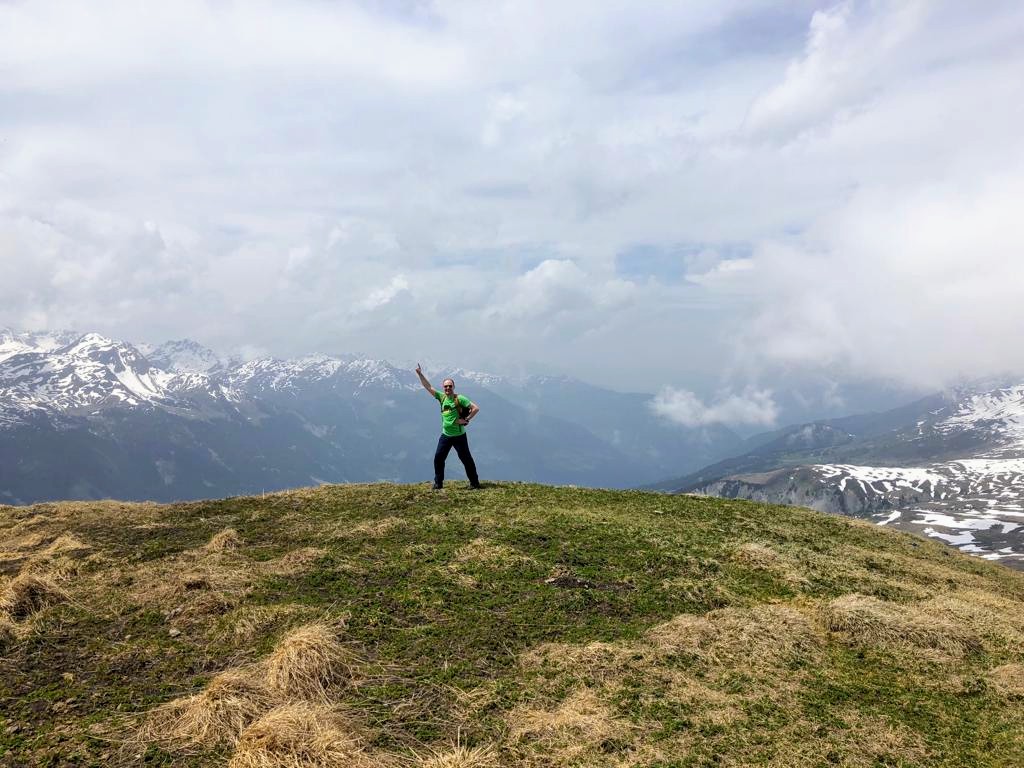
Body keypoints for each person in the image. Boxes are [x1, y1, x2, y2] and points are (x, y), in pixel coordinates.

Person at [415, 363, 481, 490]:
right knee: (438, 458)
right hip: (446, 435)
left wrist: (466, 420)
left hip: (459, 436)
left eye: (450, 386)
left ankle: (475, 483)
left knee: (466, 460)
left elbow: (475, 408)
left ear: (454, 387)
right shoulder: (441, 397)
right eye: (446, 386)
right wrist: (419, 374)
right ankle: (438, 483)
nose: (448, 388)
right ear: (443, 387)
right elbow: (428, 386)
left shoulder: (459, 398)